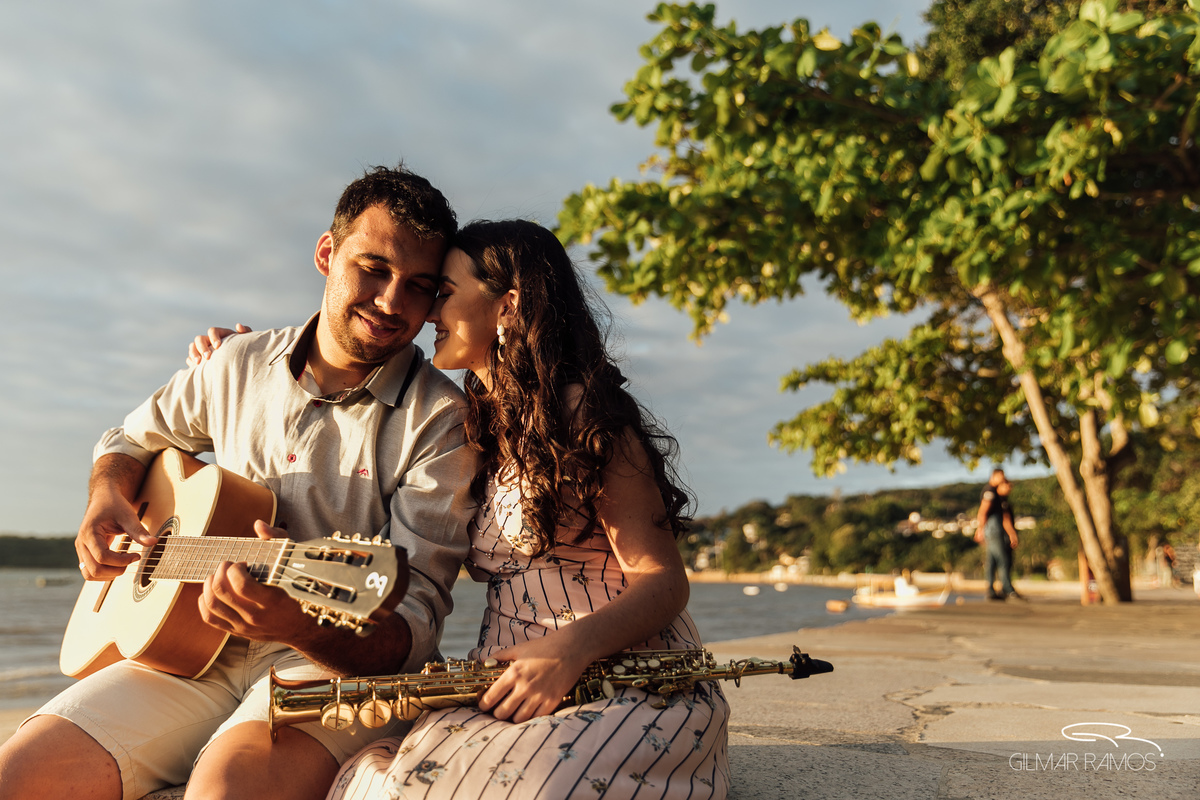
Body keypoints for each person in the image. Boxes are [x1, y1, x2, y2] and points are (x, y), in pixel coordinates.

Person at [0, 166, 475, 800]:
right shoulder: (235, 363)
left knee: (227, 788)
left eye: (418, 287)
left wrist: (300, 625)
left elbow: (411, 630)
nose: (392, 303)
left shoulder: (443, 420)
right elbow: (130, 440)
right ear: (326, 254)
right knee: (19, 774)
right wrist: (105, 498)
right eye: (373, 269)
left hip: (323, 659)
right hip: (187, 647)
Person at [322, 219, 731, 800]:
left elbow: (663, 581)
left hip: (628, 682)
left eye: (444, 293)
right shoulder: (470, 421)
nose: (429, 312)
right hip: (508, 682)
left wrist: (572, 650)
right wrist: (239, 353)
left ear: (507, 306)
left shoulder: (584, 414)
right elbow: (346, 378)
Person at [975, 469, 1021, 601]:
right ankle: (1007, 589)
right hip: (993, 531)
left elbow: (1005, 518)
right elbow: (983, 511)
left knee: (992, 561)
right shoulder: (990, 491)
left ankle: (991, 590)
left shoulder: (998, 496)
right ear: (994, 476)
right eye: (1001, 477)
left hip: (994, 530)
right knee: (1003, 559)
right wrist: (980, 529)